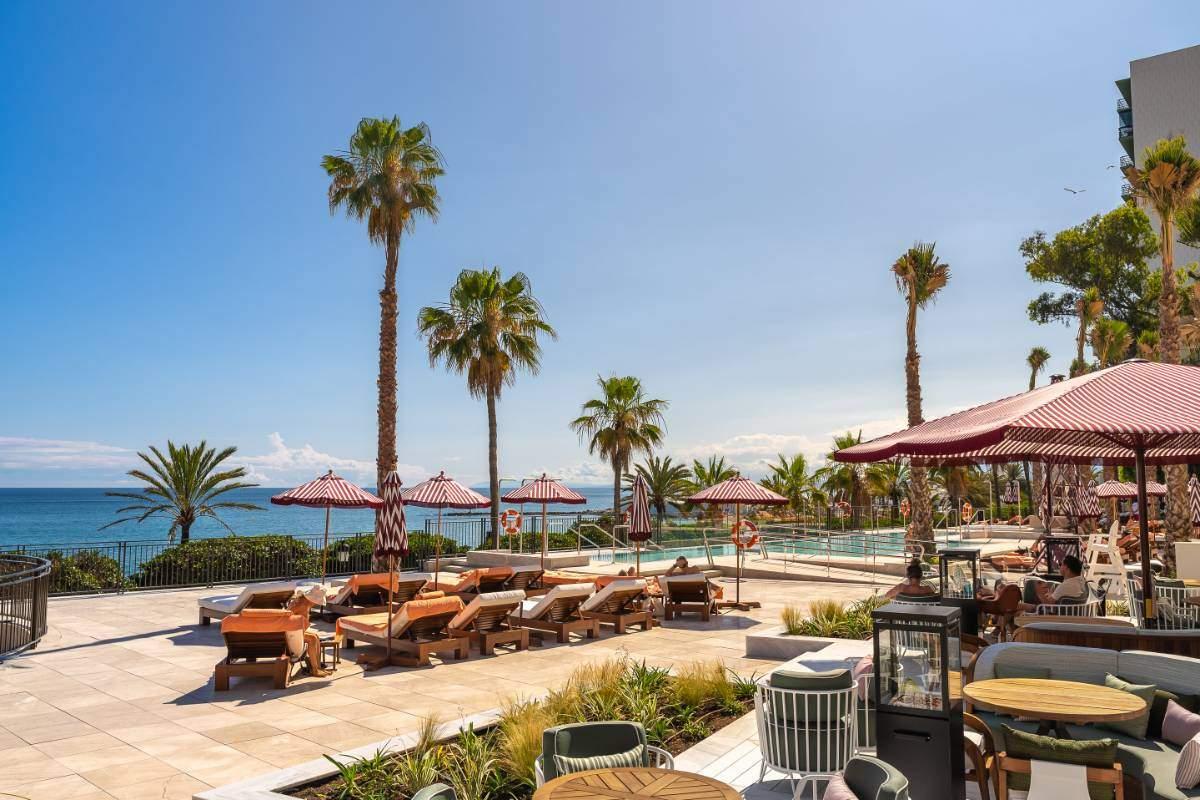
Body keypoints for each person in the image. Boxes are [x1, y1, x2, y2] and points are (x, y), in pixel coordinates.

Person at [1020, 554, 1087, 611]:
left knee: (1020, 607)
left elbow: (1048, 606)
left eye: (1061, 564)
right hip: (1070, 612)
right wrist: (1052, 594)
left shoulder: (1066, 585)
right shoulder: (1081, 582)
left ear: (1066, 568)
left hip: (1054, 616)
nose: (1059, 566)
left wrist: (1039, 593)